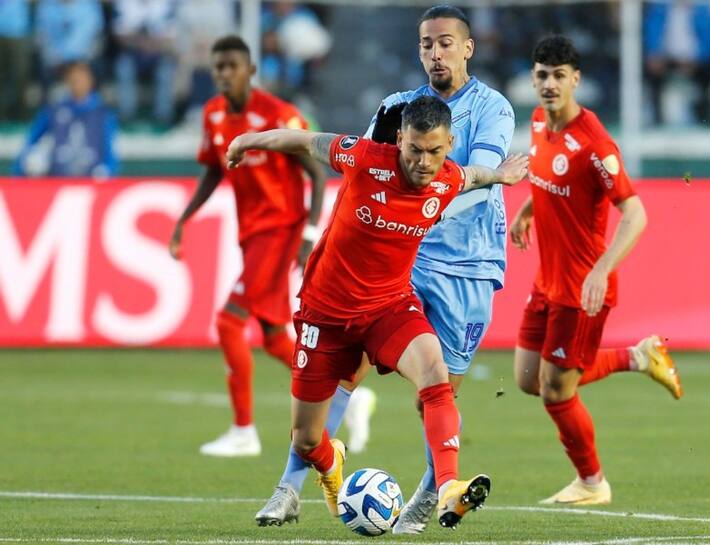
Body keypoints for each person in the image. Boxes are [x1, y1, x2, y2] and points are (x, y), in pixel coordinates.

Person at [254, 5, 516, 533]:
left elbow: (477, 180)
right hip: (400, 262)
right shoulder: (397, 107)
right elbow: (362, 171)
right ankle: (290, 487)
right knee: (344, 372)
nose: (434, 53)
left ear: (467, 48)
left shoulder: (493, 108)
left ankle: (430, 494)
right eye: (426, 44)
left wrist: (421, 209)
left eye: (445, 43)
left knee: (438, 395)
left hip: (466, 265)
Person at [509, 36, 683, 506]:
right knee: (528, 378)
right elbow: (550, 179)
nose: (549, 84)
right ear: (533, 77)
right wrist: (528, 208)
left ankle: (591, 482)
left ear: (576, 79)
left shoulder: (595, 144)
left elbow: (636, 214)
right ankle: (638, 356)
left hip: (582, 290)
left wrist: (601, 270)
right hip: (547, 281)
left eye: (559, 75)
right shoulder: (538, 121)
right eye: (542, 75)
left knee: (555, 391)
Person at [168, 35, 326, 457]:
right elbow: (211, 173)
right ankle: (345, 392)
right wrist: (184, 221)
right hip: (251, 233)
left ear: (250, 71)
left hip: (282, 229)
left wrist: (309, 235)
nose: (223, 74)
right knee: (275, 336)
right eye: (218, 67)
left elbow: (316, 174)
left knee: (228, 322)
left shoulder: (277, 115)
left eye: (231, 66)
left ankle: (243, 431)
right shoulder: (214, 115)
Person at [13, 61, 117, 179]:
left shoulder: (102, 114)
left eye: (81, 78)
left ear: (90, 80)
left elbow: (109, 152)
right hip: (56, 179)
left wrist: (106, 171)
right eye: (73, 78)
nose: (77, 82)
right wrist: (19, 174)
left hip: (91, 181)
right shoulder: (53, 110)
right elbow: (31, 143)